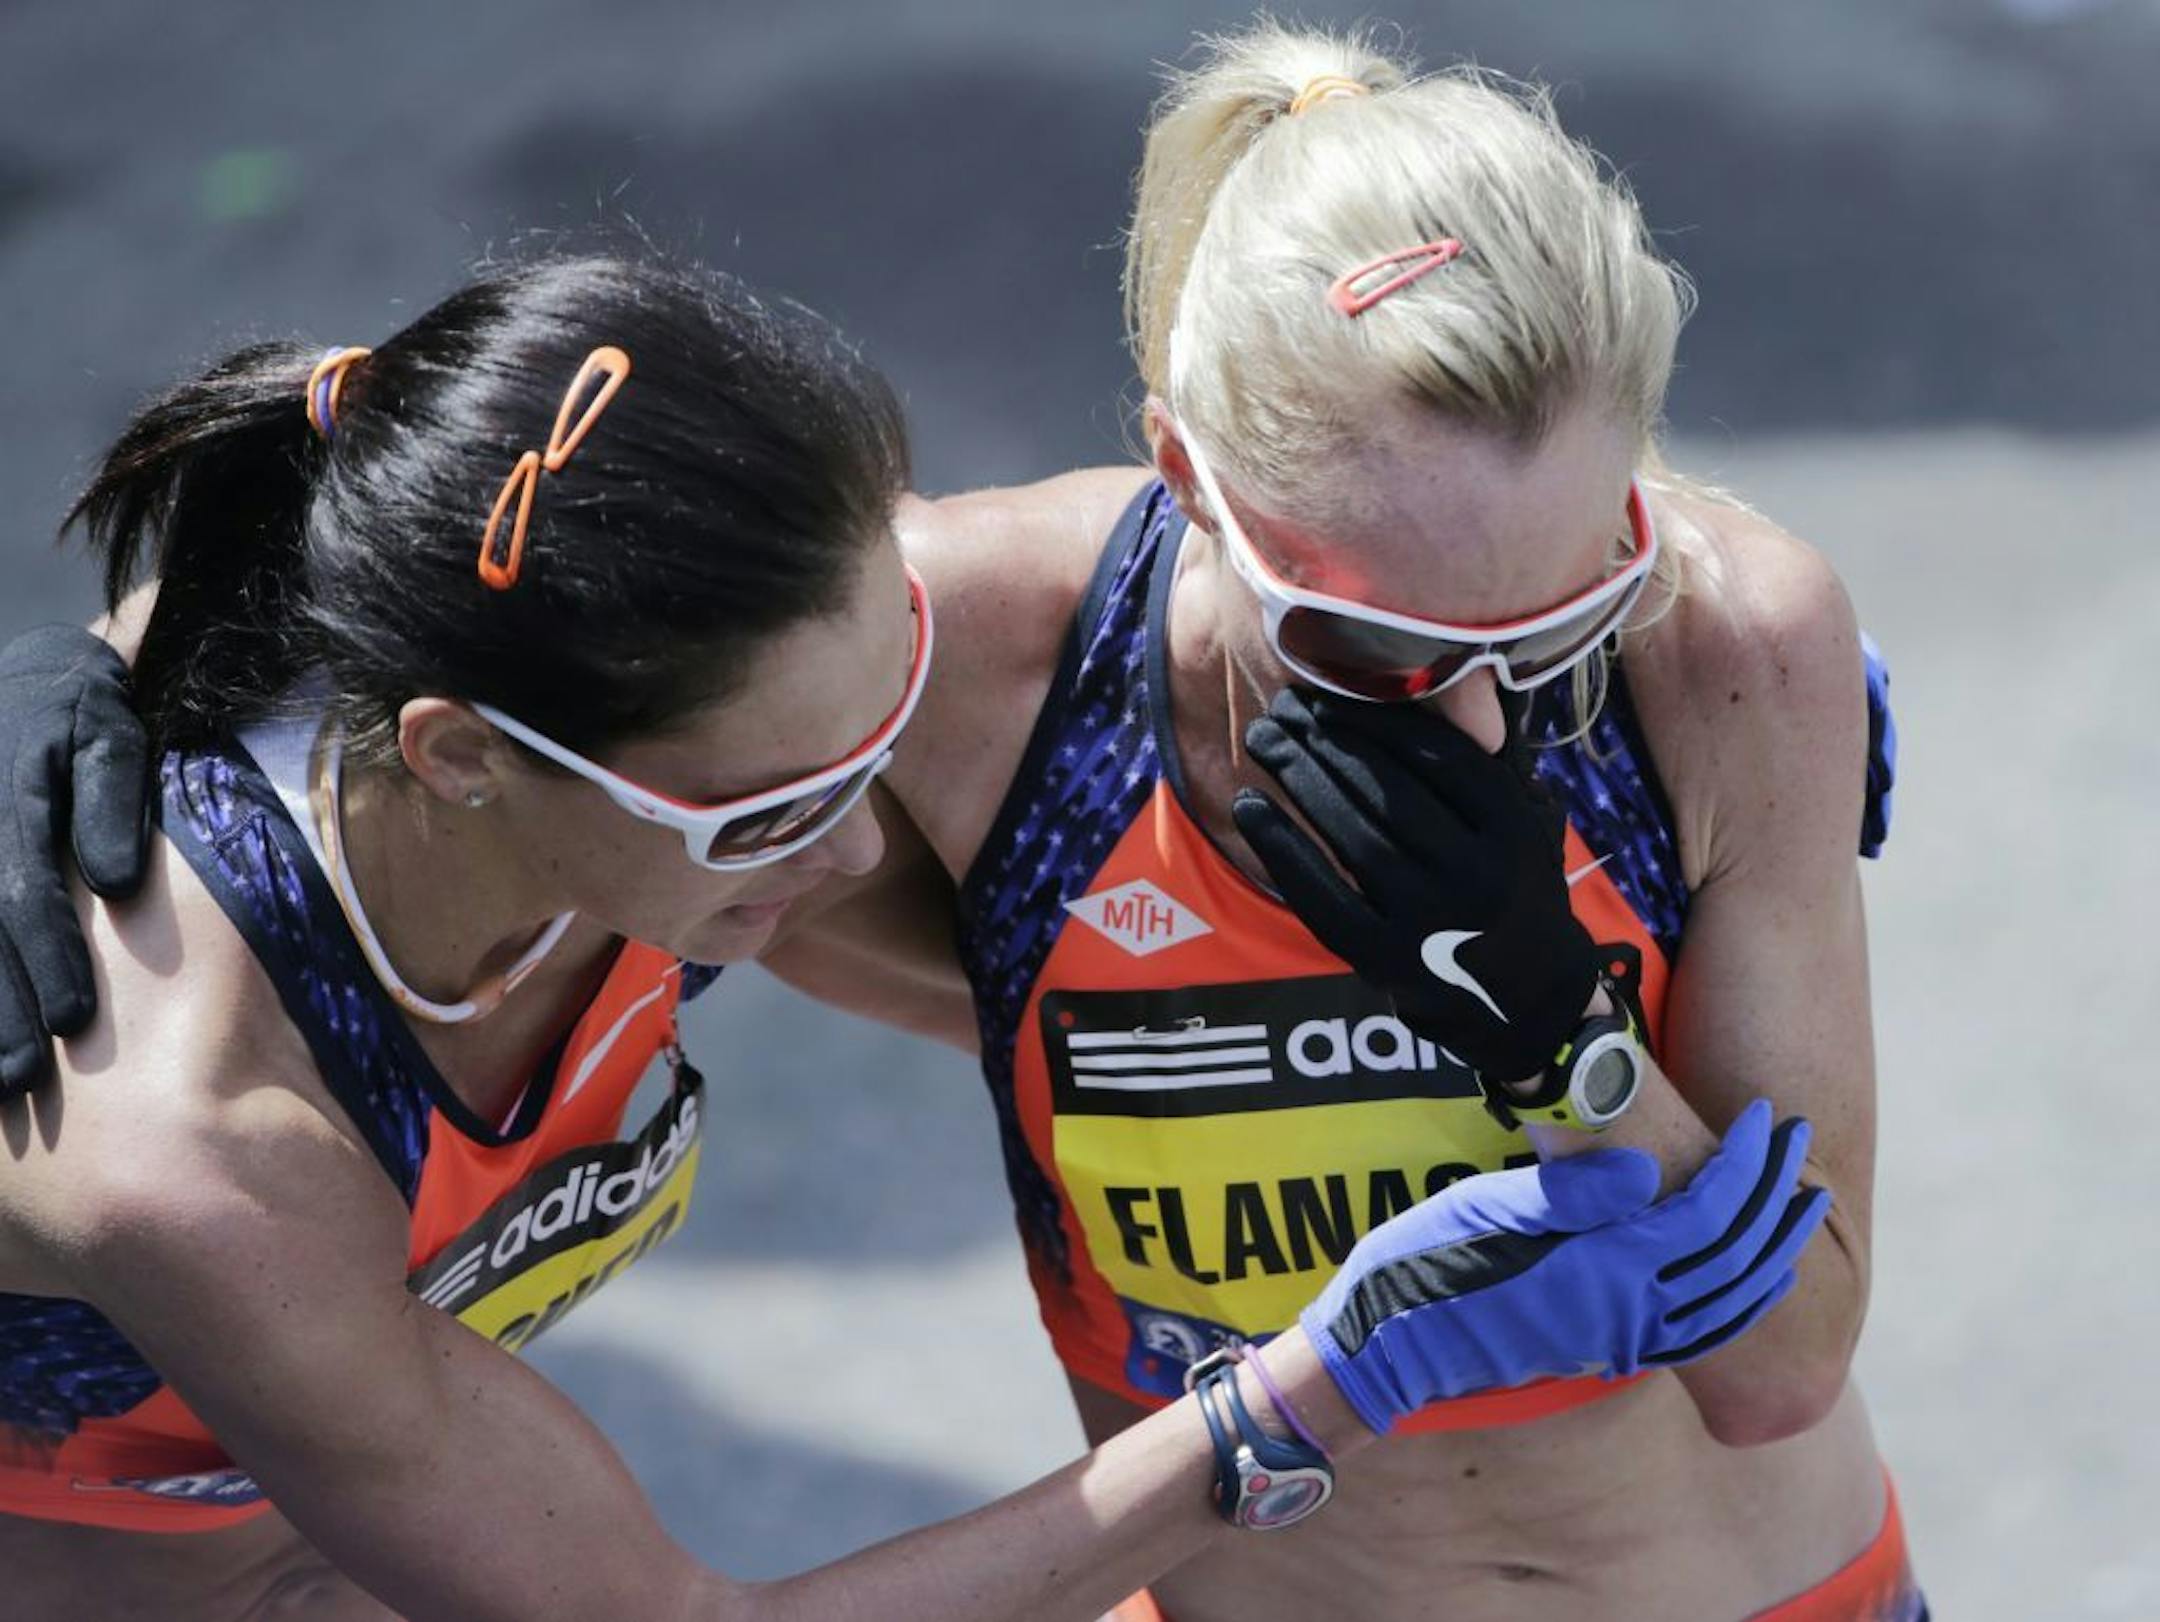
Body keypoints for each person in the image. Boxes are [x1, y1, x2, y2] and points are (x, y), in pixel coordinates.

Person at [0, 253, 1820, 1620]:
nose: (863, 838)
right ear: (461, 760)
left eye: (883, 738)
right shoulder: (195, 1149)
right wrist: (1308, 1394)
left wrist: (1700, 653)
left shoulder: (560, 682)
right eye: (774, 807)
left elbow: (409, 447)